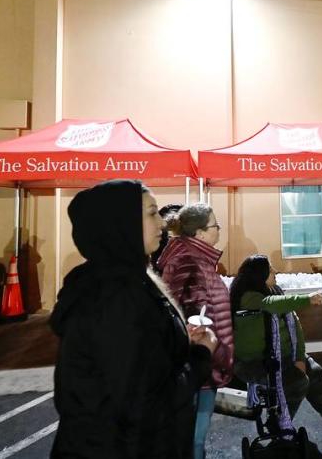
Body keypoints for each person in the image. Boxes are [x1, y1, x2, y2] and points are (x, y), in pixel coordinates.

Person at [50, 180, 217, 458]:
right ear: (120, 223)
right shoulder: (114, 296)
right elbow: (143, 401)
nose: (161, 224)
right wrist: (200, 355)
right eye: (152, 213)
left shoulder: (131, 278)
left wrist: (177, 340)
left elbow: (139, 358)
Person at [230, 254, 322, 457]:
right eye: (271, 269)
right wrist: (307, 299)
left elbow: (295, 326)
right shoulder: (248, 296)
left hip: (282, 357)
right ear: (259, 275)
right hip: (254, 363)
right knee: (296, 381)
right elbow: (272, 303)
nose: (275, 272)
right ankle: (279, 431)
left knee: (314, 373)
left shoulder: (274, 290)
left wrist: (299, 357)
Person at [158, 203, 233, 459]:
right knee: (192, 442)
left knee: (195, 440)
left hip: (207, 361)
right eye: (215, 225)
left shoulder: (200, 259)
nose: (218, 230)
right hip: (195, 364)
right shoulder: (186, 260)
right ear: (200, 233)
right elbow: (172, 310)